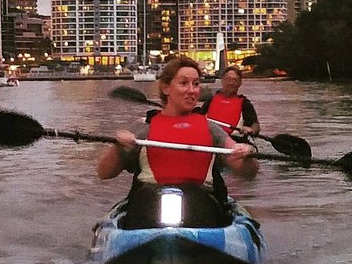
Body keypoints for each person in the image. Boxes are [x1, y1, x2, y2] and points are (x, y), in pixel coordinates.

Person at [97, 55, 257, 226]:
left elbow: (248, 173)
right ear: (166, 88)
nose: (191, 90)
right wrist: (118, 147)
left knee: (199, 203)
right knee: (145, 202)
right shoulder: (143, 128)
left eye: (196, 84)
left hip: (201, 207)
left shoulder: (211, 128)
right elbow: (104, 173)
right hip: (148, 205)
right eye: (183, 83)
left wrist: (245, 154)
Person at [201, 65, 260, 138]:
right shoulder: (210, 100)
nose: (231, 83)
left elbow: (255, 124)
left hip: (235, 140)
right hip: (211, 140)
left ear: (240, 83)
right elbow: (197, 119)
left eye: (235, 80)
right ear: (222, 80)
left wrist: (251, 130)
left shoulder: (245, 103)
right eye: (228, 79)